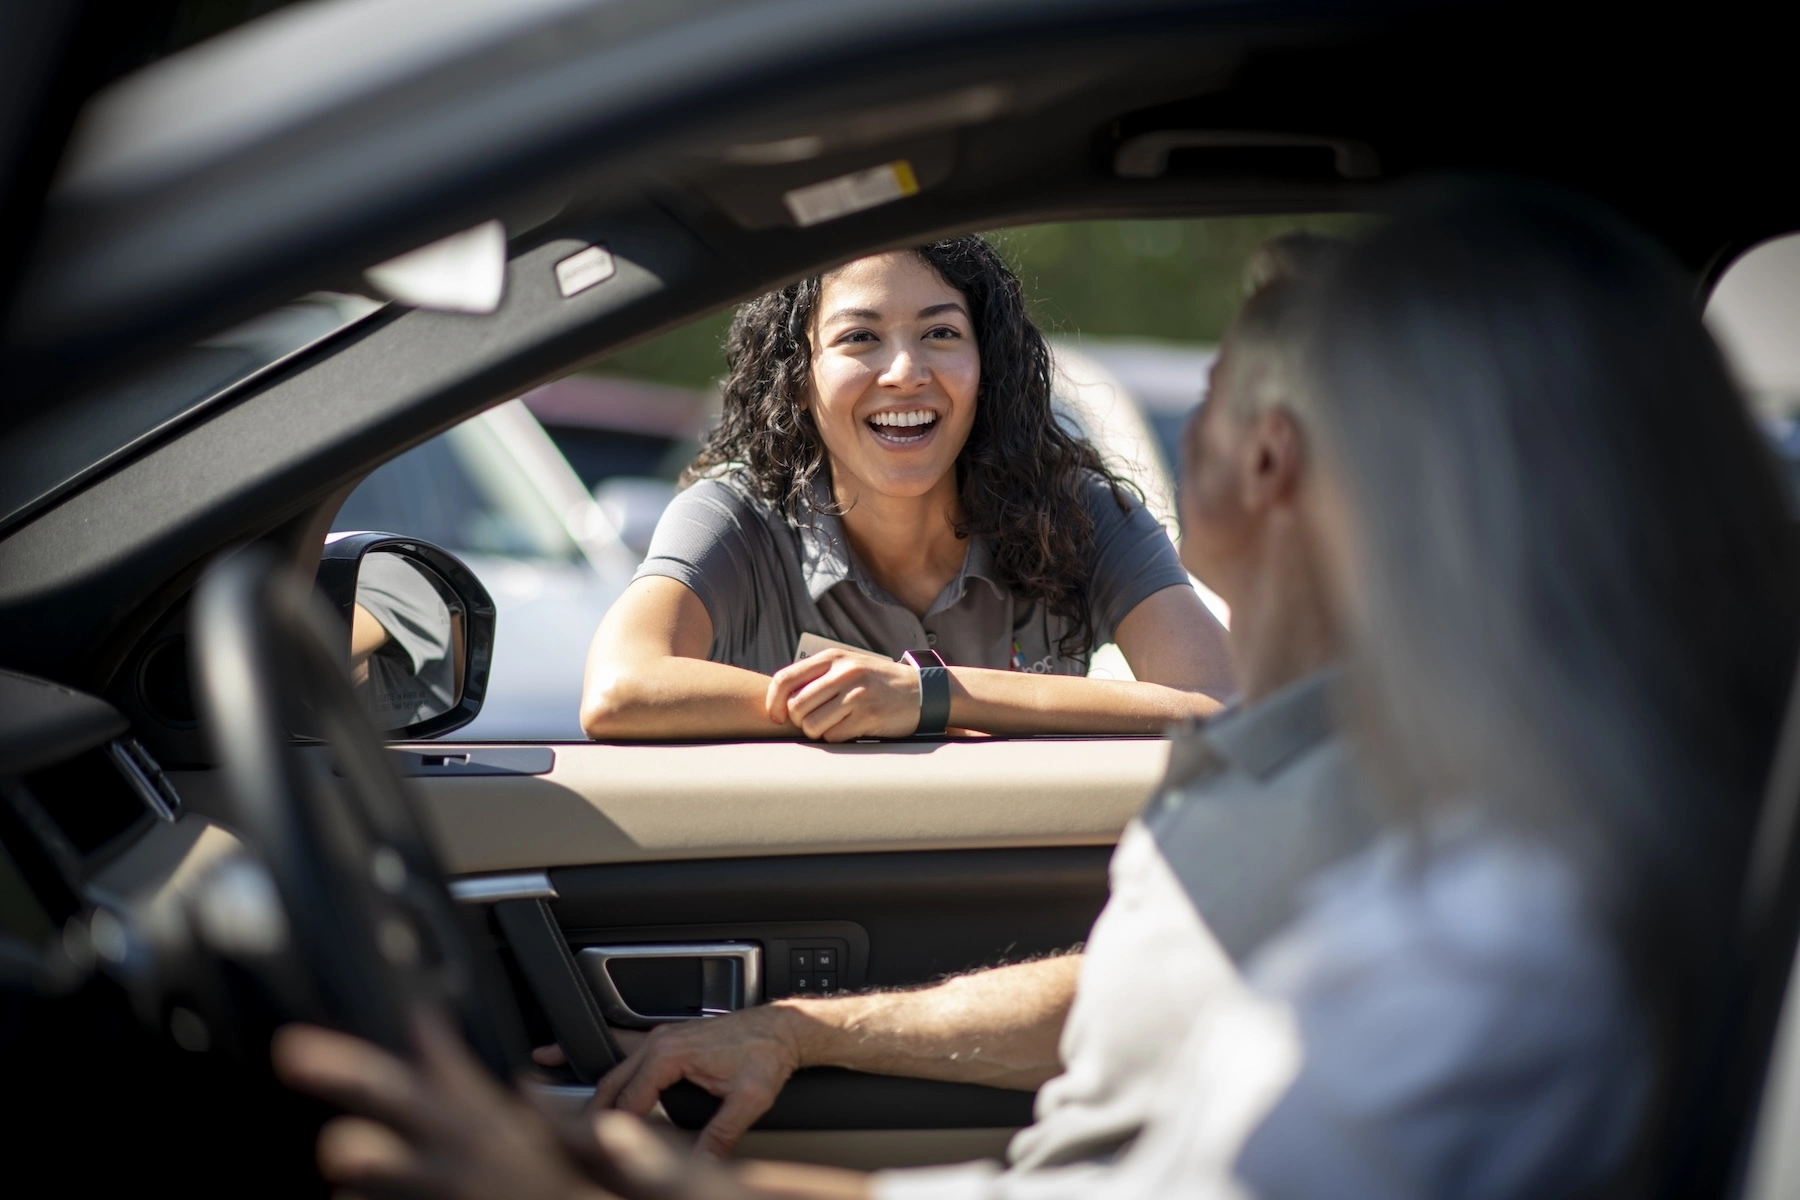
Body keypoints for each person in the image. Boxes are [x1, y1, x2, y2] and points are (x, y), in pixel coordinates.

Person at [272, 184, 1799, 1200]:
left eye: (1204, 403)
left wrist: (629, 1190)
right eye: (858, 334)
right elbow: (1156, 988)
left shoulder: (1466, 967)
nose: (904, 370)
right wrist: (808, 1028)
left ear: (1261, 462)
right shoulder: (1385, 775)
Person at [580, 236, 1235, 742]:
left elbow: (1220, 703)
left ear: (988, 365)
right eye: (860, 337)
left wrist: (928, 697)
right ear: (799, 375)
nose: (904, 371)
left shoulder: (1082, 510)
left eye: (940, 333)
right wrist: (852, 705)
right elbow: (619, 686)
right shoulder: (733, 515)